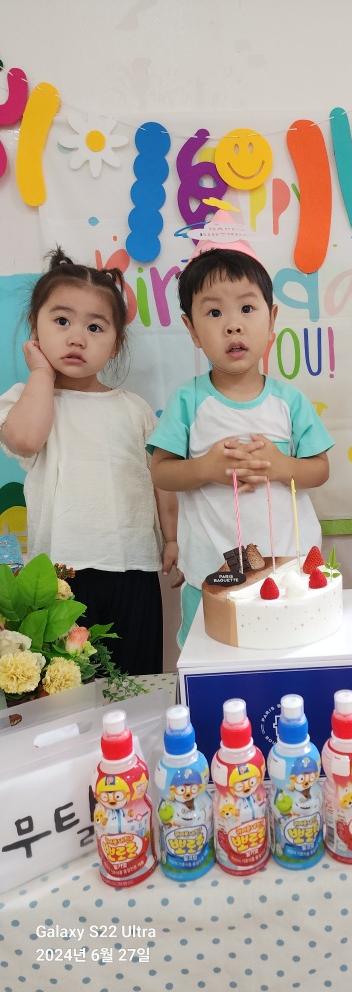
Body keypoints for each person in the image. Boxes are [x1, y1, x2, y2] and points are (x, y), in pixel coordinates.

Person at [148, 230, 333, 647]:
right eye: (214, 313)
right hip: (208, 570)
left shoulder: (289, 401)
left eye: (247, 308)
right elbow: (161, 473)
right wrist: (205, 469)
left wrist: (280, 466)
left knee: (283, 654)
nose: (233, 324)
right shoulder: (188, 401)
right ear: (192, 330)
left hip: (287, 569)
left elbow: (320, 470)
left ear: (272, 319)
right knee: (209, 655)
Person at [0, 248, 181, 674]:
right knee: (66, 687)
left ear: (115, 344)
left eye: (95, 327)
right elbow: (25, 439)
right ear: (35, 329)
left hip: (133, 566)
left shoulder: (134, 408)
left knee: (137, 681)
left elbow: (161, 477)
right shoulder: (26, 400)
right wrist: (41, 374)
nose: (77, 338)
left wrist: (172, 538)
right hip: (61, 574)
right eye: (61, 321)